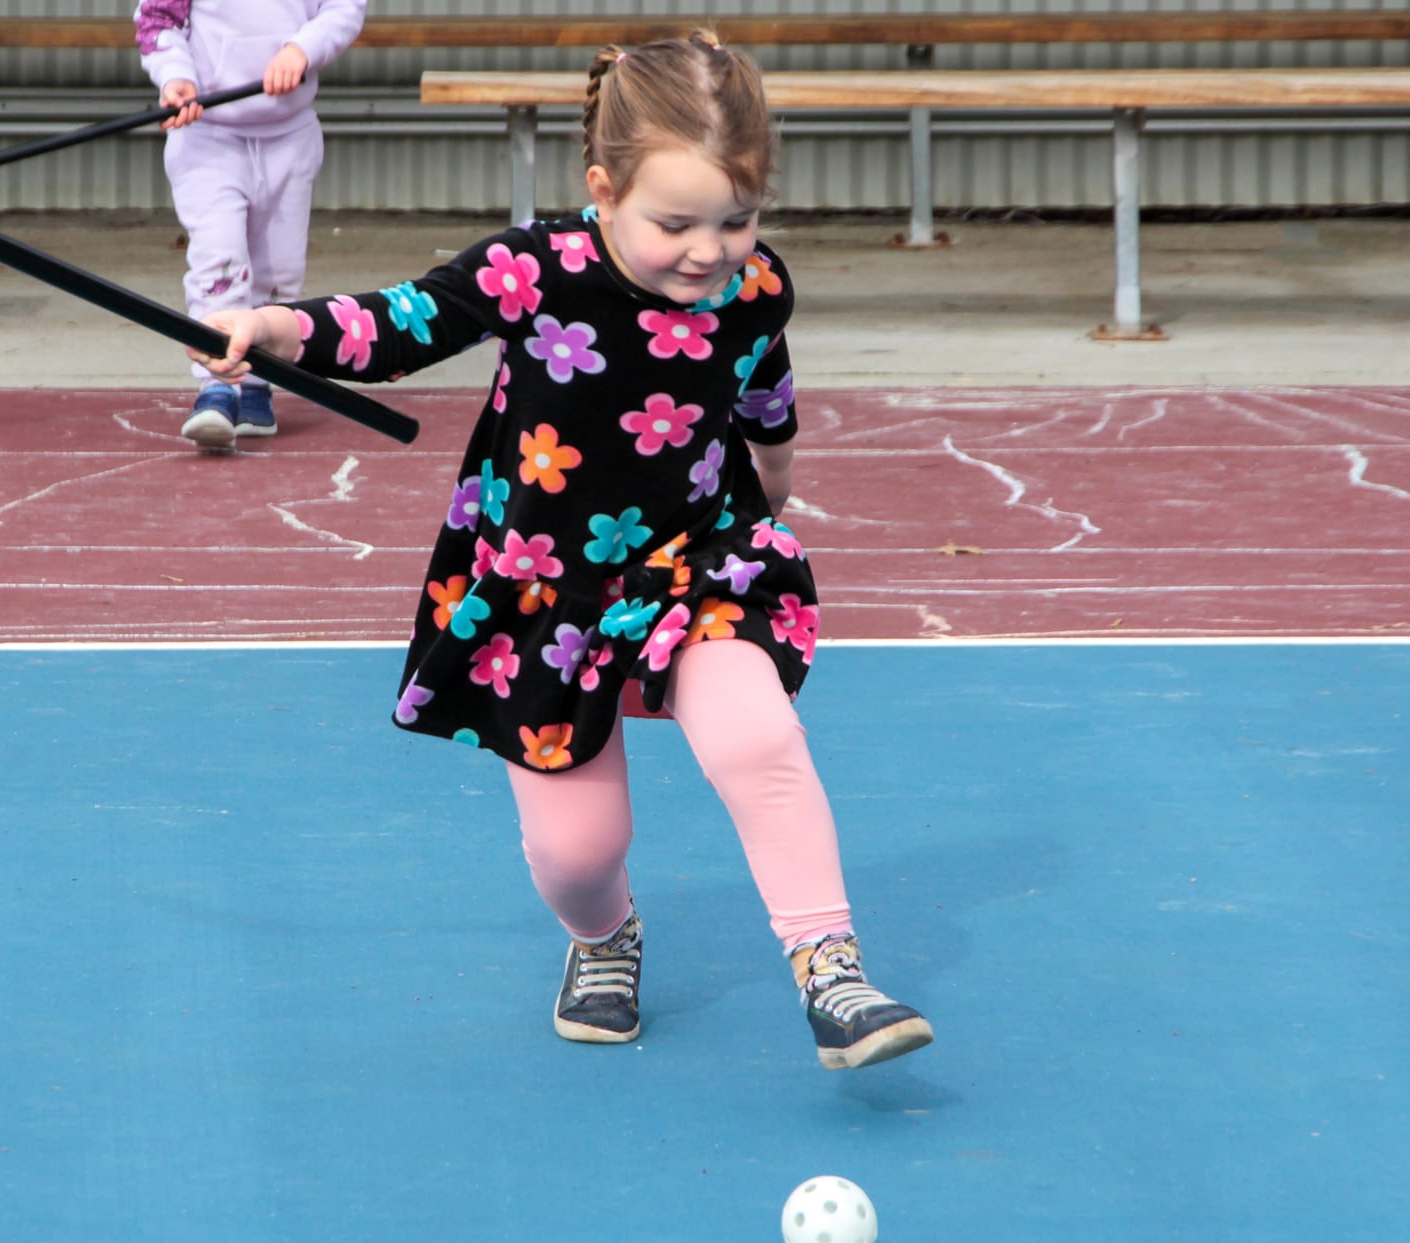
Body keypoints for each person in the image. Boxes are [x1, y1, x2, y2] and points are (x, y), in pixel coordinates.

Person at [187, 32, 933, 1072]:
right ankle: (603, 936)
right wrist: (276, 326)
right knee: (576, 850)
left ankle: (830, 967)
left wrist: (773, 483)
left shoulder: (753, 287)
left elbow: (764, 391)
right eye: (673, 223)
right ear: (601, 188)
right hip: (544, 586)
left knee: (756, 738)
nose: (708, 250)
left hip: (698, 558)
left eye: (736, 218)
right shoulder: (533, 271)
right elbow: (400, 323)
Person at [135, 0, 367, 450]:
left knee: (279, 269)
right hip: (208, 137)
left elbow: (344, 8)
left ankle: (260, 377)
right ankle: (217, 385)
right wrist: (175, 76)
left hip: (289, 134)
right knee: (218, 261)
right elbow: (158, 20)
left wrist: (301, 49)